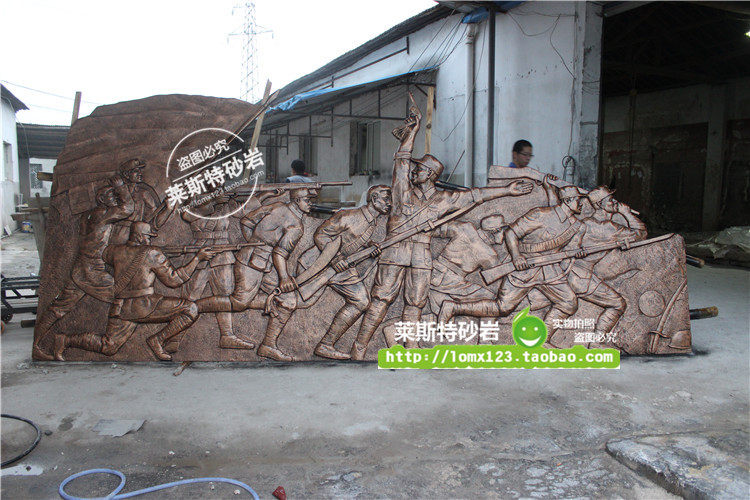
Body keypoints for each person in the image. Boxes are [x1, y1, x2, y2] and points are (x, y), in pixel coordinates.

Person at [349, 95, 533, 360]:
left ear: (430, 175)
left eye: (420, 170)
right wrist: (412, 133)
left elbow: (475, 196)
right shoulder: (402, 191)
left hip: (422, 255)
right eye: (415, 169)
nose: (414, 172)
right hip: (395, 250)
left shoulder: (444, 199)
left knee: (415, 303)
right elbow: (401, 161)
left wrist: (507, 190)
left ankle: (411, 348)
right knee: (381, 300)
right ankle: (359, 347)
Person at [53, 222, 216, 361]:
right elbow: (174, 280)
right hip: (145, 305)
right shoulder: (153, 253)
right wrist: (197, 259)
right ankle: (157, 340)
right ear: (139, 236)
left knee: (108, 346)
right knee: (190, 309)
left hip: (121, 307)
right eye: (148, 237)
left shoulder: (114, 251)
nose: (149, 240)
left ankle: (66, 340)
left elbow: (106, 256)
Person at [33, 177, 134, 360]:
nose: (114, 198)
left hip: (80, 269)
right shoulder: (102, 214)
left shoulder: (87, 215)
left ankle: (37, 346)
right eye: (111, 195)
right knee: (125, 296)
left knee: (58, 308)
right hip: (92, 271)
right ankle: (109, 342)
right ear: (102, 199)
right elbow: (128, 208)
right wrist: (121, 187)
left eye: (114, 194)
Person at [311, 185, 392, 360]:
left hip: (344, 268)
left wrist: (369, 246)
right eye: (386, 199)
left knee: (361, 301)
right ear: (374, 199)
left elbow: (352, 239)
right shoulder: (348, 215)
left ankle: (325, 344)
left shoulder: (372, 221)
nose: (390, 203)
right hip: (320, 264)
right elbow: (320, 235)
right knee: (296, 302)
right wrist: (335, 258)